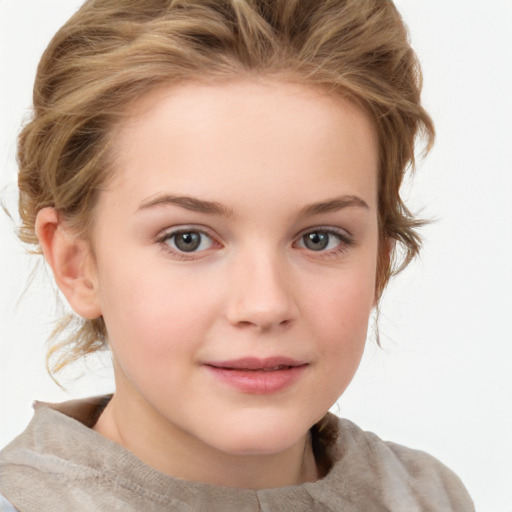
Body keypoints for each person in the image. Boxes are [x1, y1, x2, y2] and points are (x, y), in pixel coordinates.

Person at [0, 0, 475, 510]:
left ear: (380, 262)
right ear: (77, 264)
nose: (265, 305)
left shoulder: (429, 496)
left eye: (320, 238)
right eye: (188, 239)